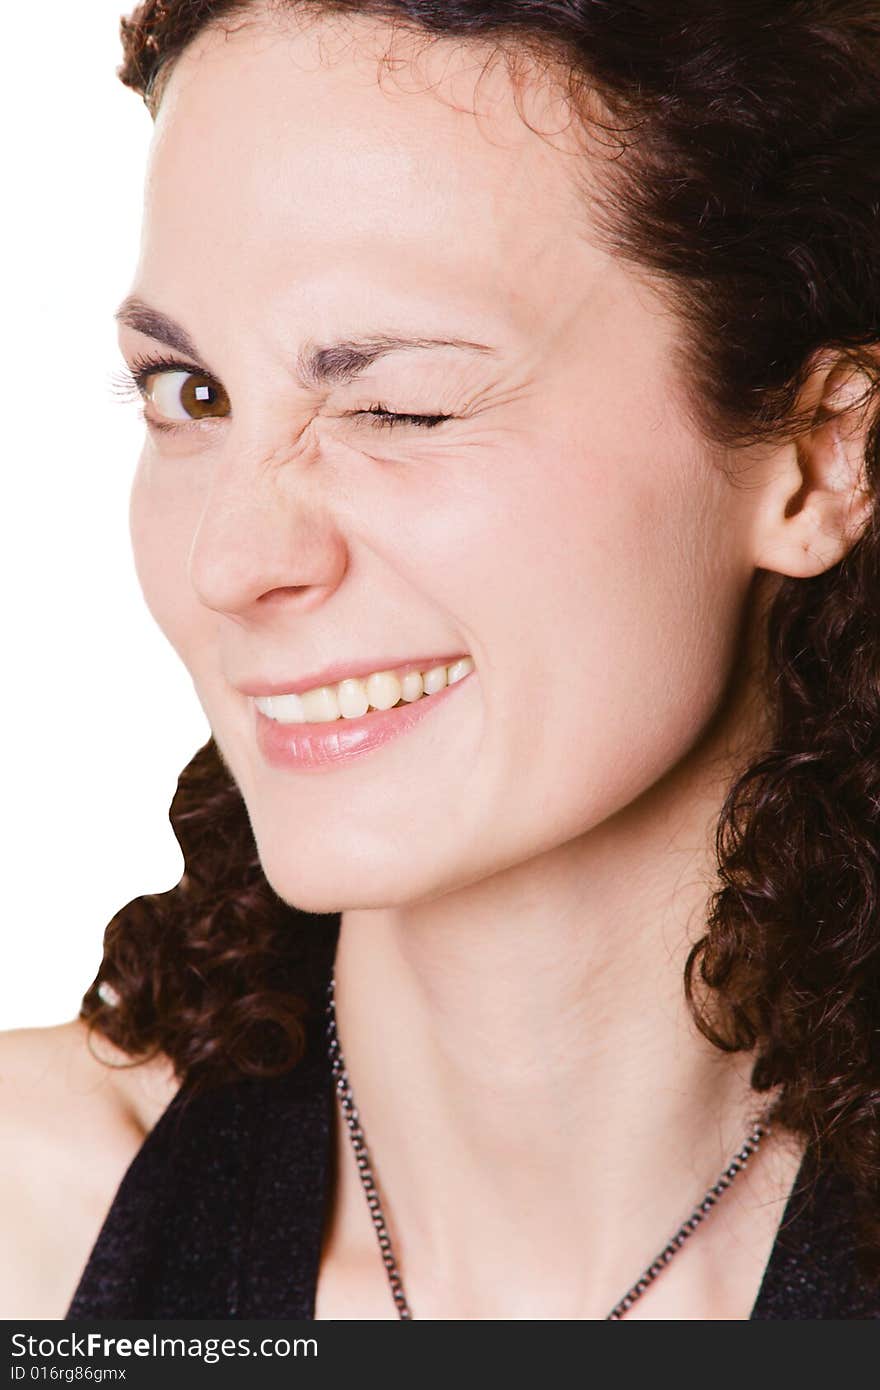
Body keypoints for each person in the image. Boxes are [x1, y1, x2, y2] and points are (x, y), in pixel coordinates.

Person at [2, 0, 879, 1321]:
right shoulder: (31, 1224)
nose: (230, 561)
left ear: (819, 457)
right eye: (194, 394)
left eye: (399, 404)